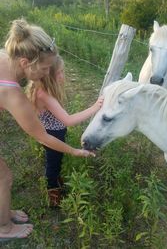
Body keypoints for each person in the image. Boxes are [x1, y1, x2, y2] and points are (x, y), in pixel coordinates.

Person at [0, 19, 96, 241]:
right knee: (3, 177)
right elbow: (42, 136)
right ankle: (4, 228)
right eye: (44, 68)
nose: (46, 74)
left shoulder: (6, 56)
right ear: (25, 62)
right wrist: (74, 151)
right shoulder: (13, 94)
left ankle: (4, 212)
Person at [26, 54, 104, 207]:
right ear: (47, 74)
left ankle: (55, 181)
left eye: (63, 71)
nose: (63, 76)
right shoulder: (44, 94)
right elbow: (68, 120)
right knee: (53, 163)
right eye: (59, 72)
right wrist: (94, 108)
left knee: (56, 159)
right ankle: (53, 194)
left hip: (54, 131)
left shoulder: (44, 88)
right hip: (51, 134)